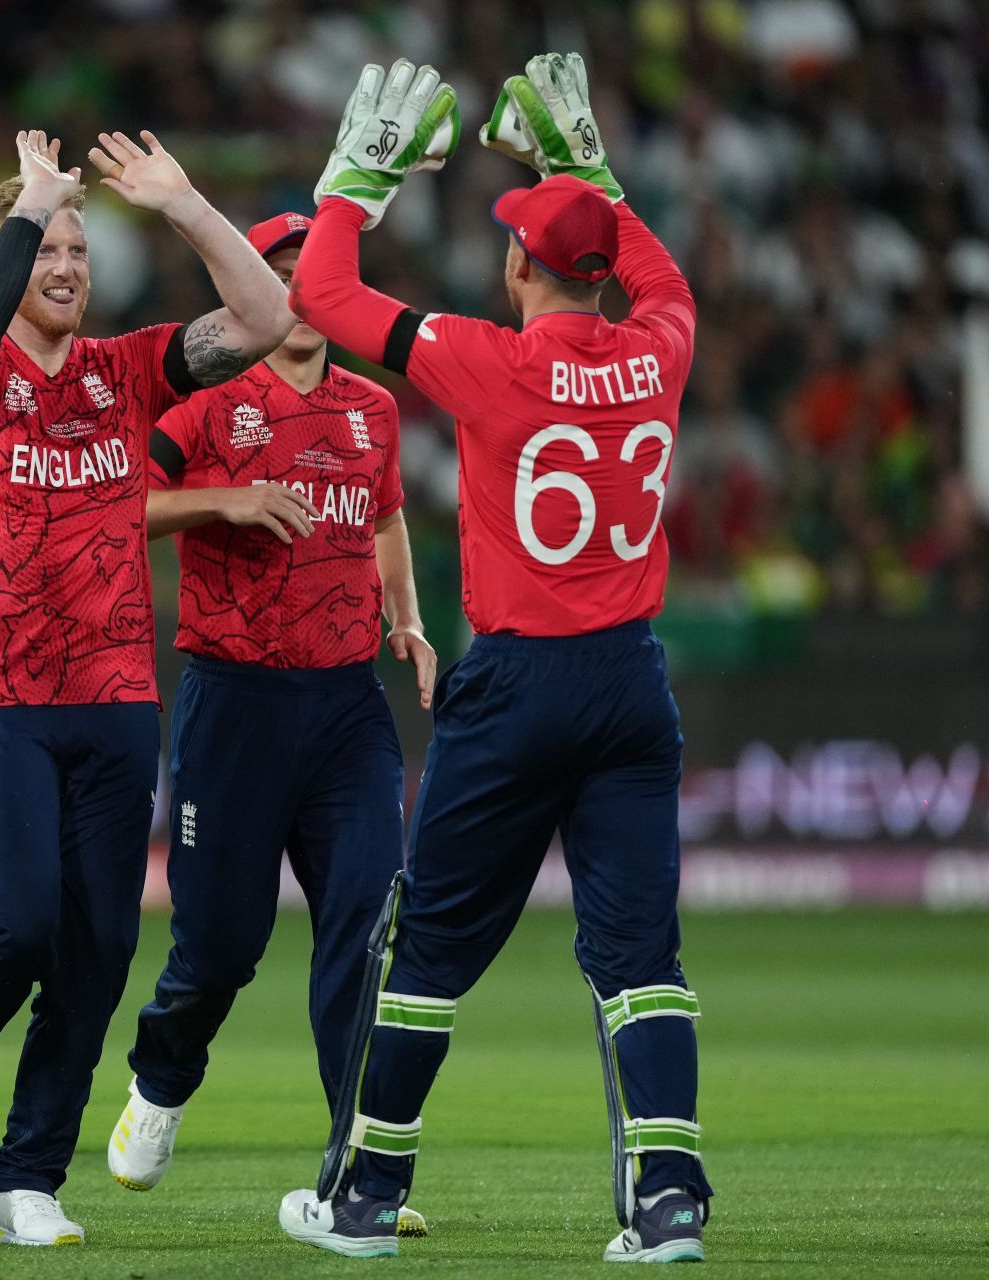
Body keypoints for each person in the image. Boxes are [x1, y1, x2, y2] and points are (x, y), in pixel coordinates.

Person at [274, 55, 713, 1262]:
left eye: (518, 237)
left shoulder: (485, 358)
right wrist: (585, 169)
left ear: (521, 265)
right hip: (630, 681)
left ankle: (366, 1198)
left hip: (516, 687)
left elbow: (318, 290)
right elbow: (655, 271)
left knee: (422, 953)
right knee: (640, 957)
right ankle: (667, 1199)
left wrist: (355, 176)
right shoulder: (661, 346)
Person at [0, 129, 294, 1247]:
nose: (64, 265)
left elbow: (261, 322)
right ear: (5, 256)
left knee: (98, 950)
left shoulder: (123, 373)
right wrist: (27, 212)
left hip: (116, 699)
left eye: (77, 247)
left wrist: (187, 205)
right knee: (11, 927)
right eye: (46, 246)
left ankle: (26, 1181)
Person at [103, 213, 434, 1247]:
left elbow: (385, 514)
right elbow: (120, 508)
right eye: (276, 274)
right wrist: (226, 500)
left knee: (365, 929)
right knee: (221, 945)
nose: (295, 292)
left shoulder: (374, 408)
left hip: (346, 707)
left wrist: (408, 616)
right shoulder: (206, 405)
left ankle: (360, 1171)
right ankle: (161, 1077)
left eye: (310, 274)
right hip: (232, 701)